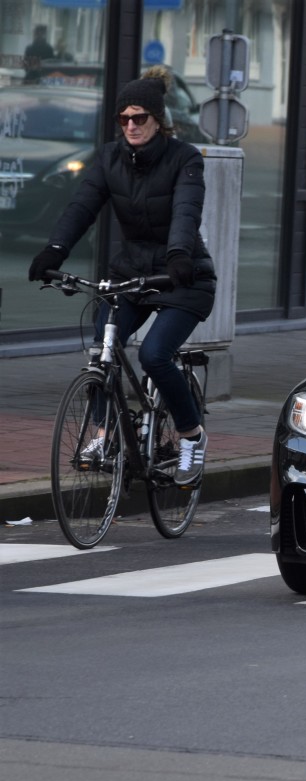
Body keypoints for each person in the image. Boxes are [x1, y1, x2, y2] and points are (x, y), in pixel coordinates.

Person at [28, 66, 217, 485]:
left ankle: (190, 435)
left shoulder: (183, 157)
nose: (131, 126)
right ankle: (100, 433)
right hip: (130, 274)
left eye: (140, 118)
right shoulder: (110, 158)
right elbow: (82, 206)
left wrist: (179, 255)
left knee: (153, 355)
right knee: (103, 350)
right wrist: (55, 249)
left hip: (182, 276)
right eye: (124, 119)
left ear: (157, 119)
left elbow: (187, 210)